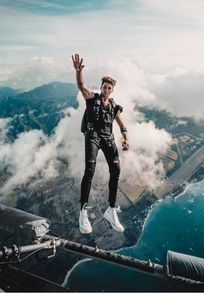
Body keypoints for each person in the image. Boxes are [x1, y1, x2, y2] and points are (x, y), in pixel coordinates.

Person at [72, 53, 129, 234]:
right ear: (101, 87)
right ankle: (83, 212)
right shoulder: (92, 98)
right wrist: (79, 71)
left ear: (112, 90)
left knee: (116, 169)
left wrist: (126, 137)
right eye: (104, 86)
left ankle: (111, 210)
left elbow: (121, 123)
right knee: (90, 169)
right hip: (93, 136)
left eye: (108, 87)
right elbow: (81, 85)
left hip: (108, 137)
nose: (106, 89)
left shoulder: (113, 106)